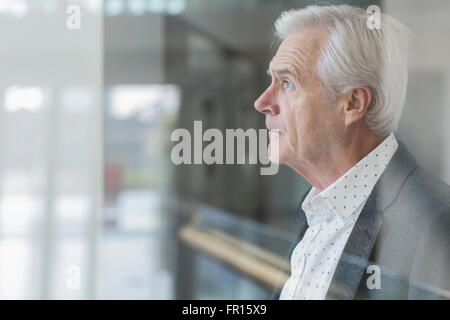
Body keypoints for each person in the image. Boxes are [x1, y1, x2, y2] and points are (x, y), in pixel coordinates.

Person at [254, 4, 450, 300]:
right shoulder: (315, 207)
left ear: (353, 104)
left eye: (288, 82)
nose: (262, 102)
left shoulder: (434, 224)